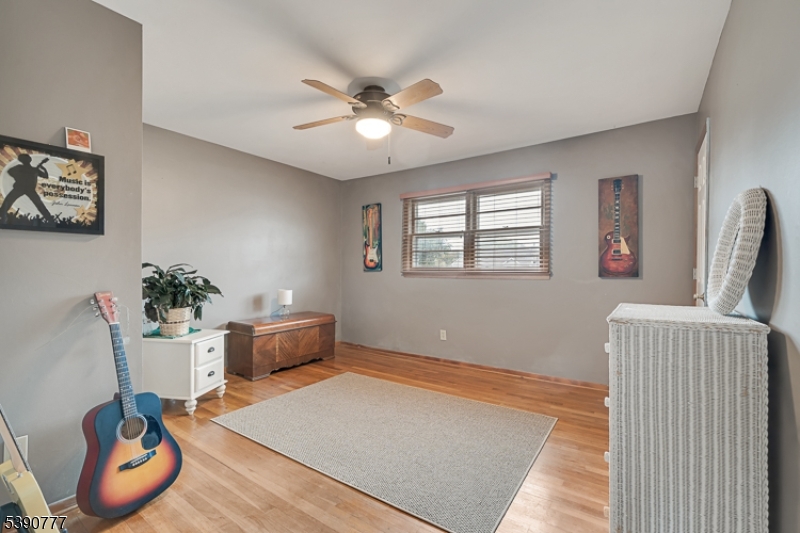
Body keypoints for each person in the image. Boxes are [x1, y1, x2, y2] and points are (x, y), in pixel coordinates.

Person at [0, 153, 53, 224]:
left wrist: (42, 167)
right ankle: (2, 217)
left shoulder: (34, 170)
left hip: (30, 190)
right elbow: (10, 171)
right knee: (7, 202)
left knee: (39, 205)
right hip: (19, 188)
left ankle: (50, 220)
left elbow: (45, 176)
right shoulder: (20, 167)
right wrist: (18, 177)